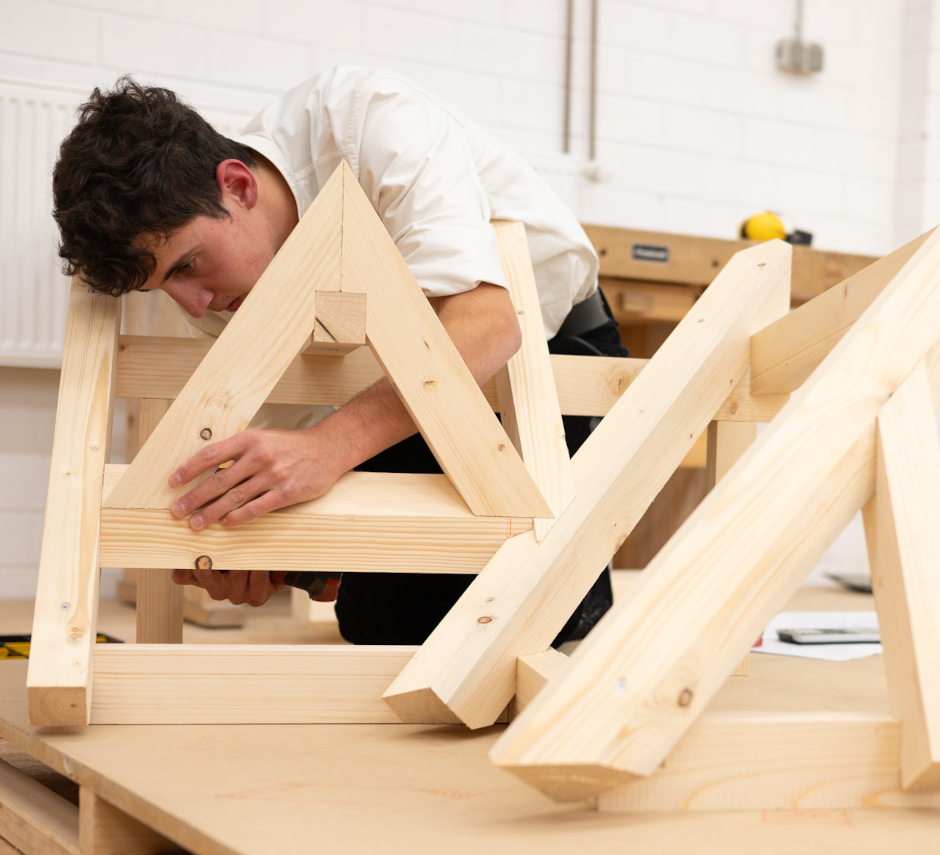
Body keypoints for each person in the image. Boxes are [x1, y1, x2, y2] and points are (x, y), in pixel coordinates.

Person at [51, 67, 623, 646]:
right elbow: (292, 434)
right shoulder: (219, 290)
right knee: (379, 622)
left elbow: (486, 328)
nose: (194, 306)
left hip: (546, 352)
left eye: (188, 266)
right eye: (163, 288)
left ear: (239, 186)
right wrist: (260, 543)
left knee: (521, 618)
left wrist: (328, 448)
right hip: (404, 392)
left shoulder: (375, 121)